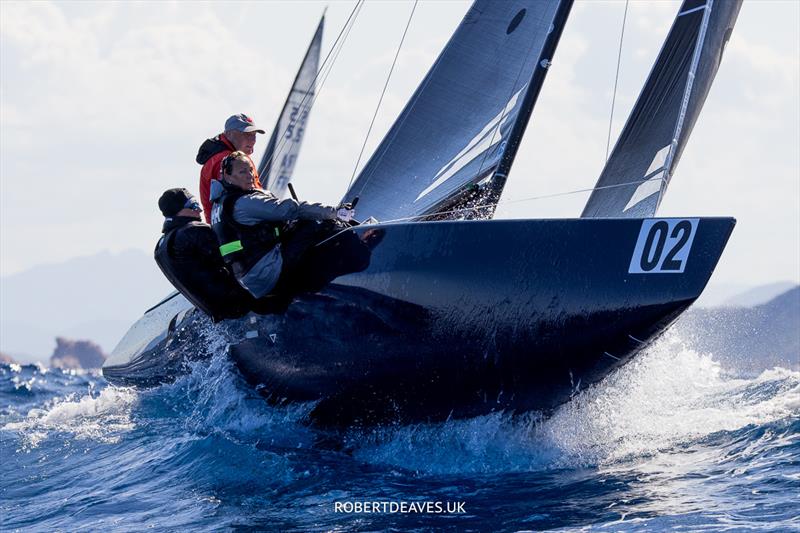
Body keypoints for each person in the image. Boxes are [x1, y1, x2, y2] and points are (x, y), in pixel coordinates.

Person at [209, 151, 357, 300]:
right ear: (227, 176)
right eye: (242, 172)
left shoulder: (218, 205)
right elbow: (292, 209)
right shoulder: (243, 203)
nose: (250, 175)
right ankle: (343, 271)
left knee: (299, 230)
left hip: (248, 280)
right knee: (313, 223)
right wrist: (335, 212)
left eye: (250, 170)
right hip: (266, 274)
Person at [154, 188, 271, 321]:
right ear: (178, 212)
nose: (200, 210)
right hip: (242, 303)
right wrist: (263, 236)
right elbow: (232, 254)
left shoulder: (160, 247)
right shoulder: (193, 230)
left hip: (217, 313)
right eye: (193, 206)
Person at [196, 113, 265, 222]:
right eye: (246, 135)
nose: (252, 140)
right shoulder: (230, 160)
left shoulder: (216, 158)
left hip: (224, 229)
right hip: (240, 227)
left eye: (254, 135)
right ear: (229, 134)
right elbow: (247, 194)